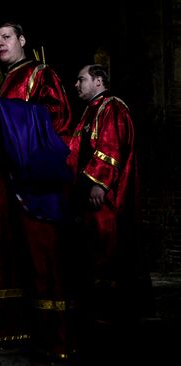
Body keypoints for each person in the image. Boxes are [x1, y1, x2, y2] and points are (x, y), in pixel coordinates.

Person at [0, 21, 74, 361]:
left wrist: (5, 110)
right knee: (6, 256)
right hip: (2, 185)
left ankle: (52, 339)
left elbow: (59, 118)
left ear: (22, 40)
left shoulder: (41, 74)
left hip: (30, 183)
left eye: (6, 37)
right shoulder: (9, 78)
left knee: (42, 258)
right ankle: (7, 330)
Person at [68, 64, 154, 340]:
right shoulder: (90, 110)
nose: (76, 85)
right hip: (88, 198)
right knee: (91, 252)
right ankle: (91, 313)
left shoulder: (112, 107)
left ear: (98, 80)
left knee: (107, 251)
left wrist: (98, 183)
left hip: (105, 198)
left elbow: (111, 145)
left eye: (81, 80)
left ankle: (109, 318)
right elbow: (74, 150)